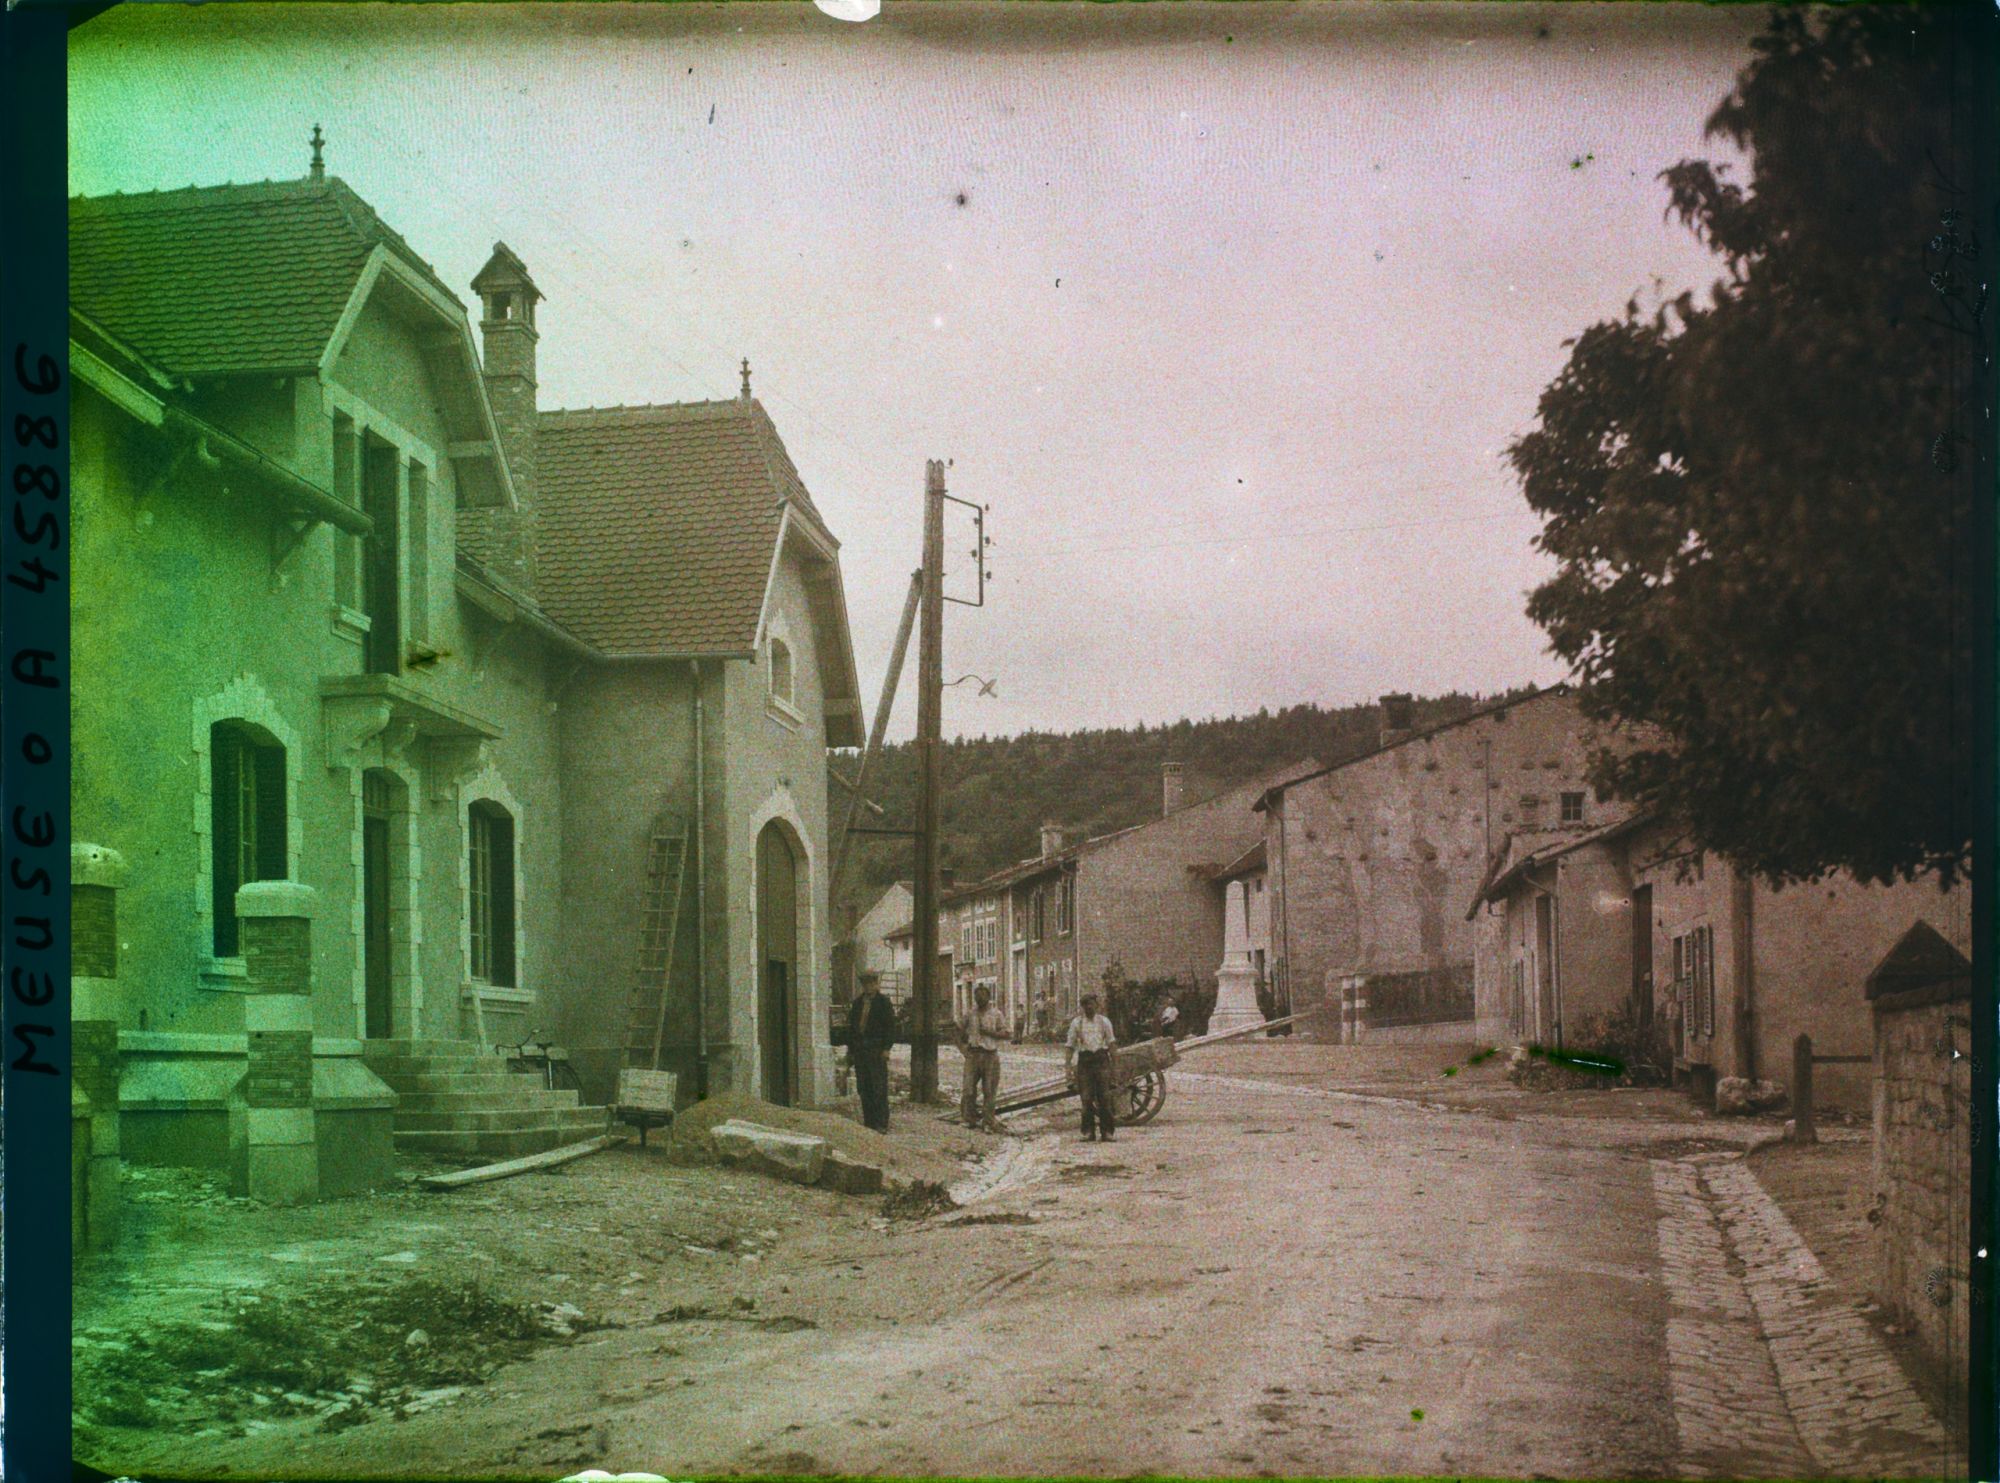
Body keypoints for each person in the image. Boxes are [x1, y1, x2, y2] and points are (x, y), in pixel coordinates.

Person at [846, 973, 897, 1134]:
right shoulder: (857, 1004)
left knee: (879, 1087)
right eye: (865, 984)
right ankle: (869, 1122)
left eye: (870, 983)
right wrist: (851, 1051)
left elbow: (890, 1028)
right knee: (864, 1087)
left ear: (876, 984)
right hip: (861, 1049)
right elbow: (852, 1029)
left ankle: (881, 1123)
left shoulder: (884, 1003)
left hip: (876, 1050)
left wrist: (886, 1048)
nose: (868, 987)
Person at [1066, 991, 1120, 1143]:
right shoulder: (1077, 1023)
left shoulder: (1104, 1022)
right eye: (1086, 1005)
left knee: (1104, 1098)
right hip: (1085, 1062)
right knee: (1086, 1099)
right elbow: (1069, 1046)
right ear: (1082, 1007)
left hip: (1101, 1060)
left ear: (1096, 1005)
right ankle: (1088, 1132)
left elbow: (1112, 1044)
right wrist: (1067, 1068)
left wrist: (1115, 1067)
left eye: (1092, 1004)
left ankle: (1107, 1132)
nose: (1089, 1008)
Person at [958, 982, 1009, 1132]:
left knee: (989, 1090)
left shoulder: (996, 1014)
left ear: (988, 997)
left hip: (990, 1055)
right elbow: (958, 1031)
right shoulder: (969, 1014)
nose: (979, 999)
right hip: (973, 1055)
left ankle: (988, 1121)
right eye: (976, 997)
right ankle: (969, 1118)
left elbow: (1007, 1034)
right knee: (968, 1089)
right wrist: (963, 1048)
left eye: (982, 996)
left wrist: (990, 1033)